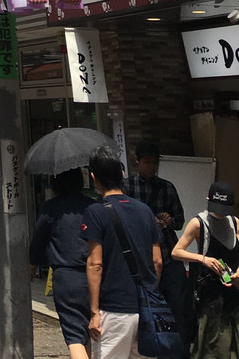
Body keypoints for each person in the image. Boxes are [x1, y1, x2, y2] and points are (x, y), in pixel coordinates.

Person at [82, 146, 163, 359]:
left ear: (93, 177)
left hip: (114, 310)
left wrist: (94, 312)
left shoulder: (96, 212)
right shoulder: (145, 211)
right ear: (122, 175)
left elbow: (95, 264)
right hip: (146, 310)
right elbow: (157, 261)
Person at [124, 139, 188, 342]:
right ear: (137, 161)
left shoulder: (167, 187)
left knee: (178, 305)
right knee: (146, 307)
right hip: (141, 259)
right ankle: (153, 343)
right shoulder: (127, 188)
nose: (152, 167)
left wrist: (170, 220)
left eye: (155, 163)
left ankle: (178, 347)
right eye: (147, 162)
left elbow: (180, 220)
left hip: (168, 254)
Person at [29, 168, 93, 359]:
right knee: (90, 331)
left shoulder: (52, 207)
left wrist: (33, 262)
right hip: (95, 273)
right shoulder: (93, 206)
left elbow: (39, 239)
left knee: (74, 335)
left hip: (66, 275)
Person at [172, 180, 239, 358]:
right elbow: (176, 252)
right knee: (211, 348)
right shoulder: (198, 223)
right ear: (208, 199)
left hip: (233, 293)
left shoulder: (234, 222)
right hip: (209, 297)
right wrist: (203, 259)